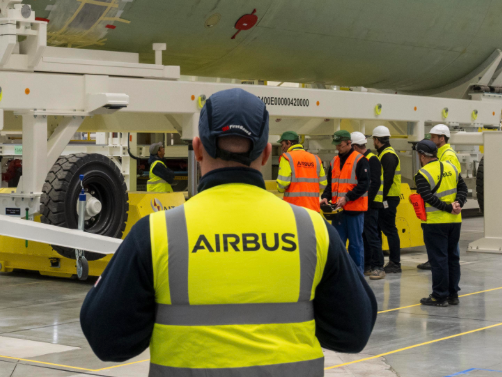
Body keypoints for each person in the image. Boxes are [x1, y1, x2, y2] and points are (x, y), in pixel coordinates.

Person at [79, 89, 376, 371]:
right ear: (265, 154)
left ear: (197, 150)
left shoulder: (156, 233)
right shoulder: (313, 231)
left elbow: (107, 340)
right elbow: (354, 333)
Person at [414, 139, 467, 307]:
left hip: (435, 222)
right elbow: (463, 188)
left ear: (422, 156)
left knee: (438, 260)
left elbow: (427, 197)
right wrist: (458, 203)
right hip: (454, 221)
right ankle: (453, 295)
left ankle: (439, 295)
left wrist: (447, 207)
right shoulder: (451, 168)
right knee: (452, 258)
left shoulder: (422, 174)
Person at [324, 129, 370, 271]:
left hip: (354, 210)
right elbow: (331, 184)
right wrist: (325, 197)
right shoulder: (334, 161)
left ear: (349, 143)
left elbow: (364, 184)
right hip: (338, 211)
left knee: (355, 245)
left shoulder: (360, 160)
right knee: (338, 244)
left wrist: (348, 197)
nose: (338, 147)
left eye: (340, 145)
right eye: (336, 145)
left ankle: (357, 275)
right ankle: (341, 275)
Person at [417, 124, 461, 272]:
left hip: (444, 213)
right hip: (446, 212)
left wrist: (453, 205)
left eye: (433, 137)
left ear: (442, 138)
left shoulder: (448, 155)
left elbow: (451, 182)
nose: (431, 139)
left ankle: (441, 292)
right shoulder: (441, 153)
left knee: (448, 255)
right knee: (448, 255)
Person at [365, 126, 402, 278]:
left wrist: (380, 199)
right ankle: (386, 261)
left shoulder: (387, 156)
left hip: (388, 199)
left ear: (376, 140)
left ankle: (395, 262)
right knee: (383, 229)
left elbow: (387, 180)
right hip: (385, 198)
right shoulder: (383, 154)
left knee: (389, 230)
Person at [275, 130, 323, 212]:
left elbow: (282, 184)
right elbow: (323, 184)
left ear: (288, 143)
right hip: (313, 208)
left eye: (282, 144)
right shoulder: (315, 159)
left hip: (294, 208)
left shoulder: (287, 157)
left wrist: (280, 189)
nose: (282, 148)